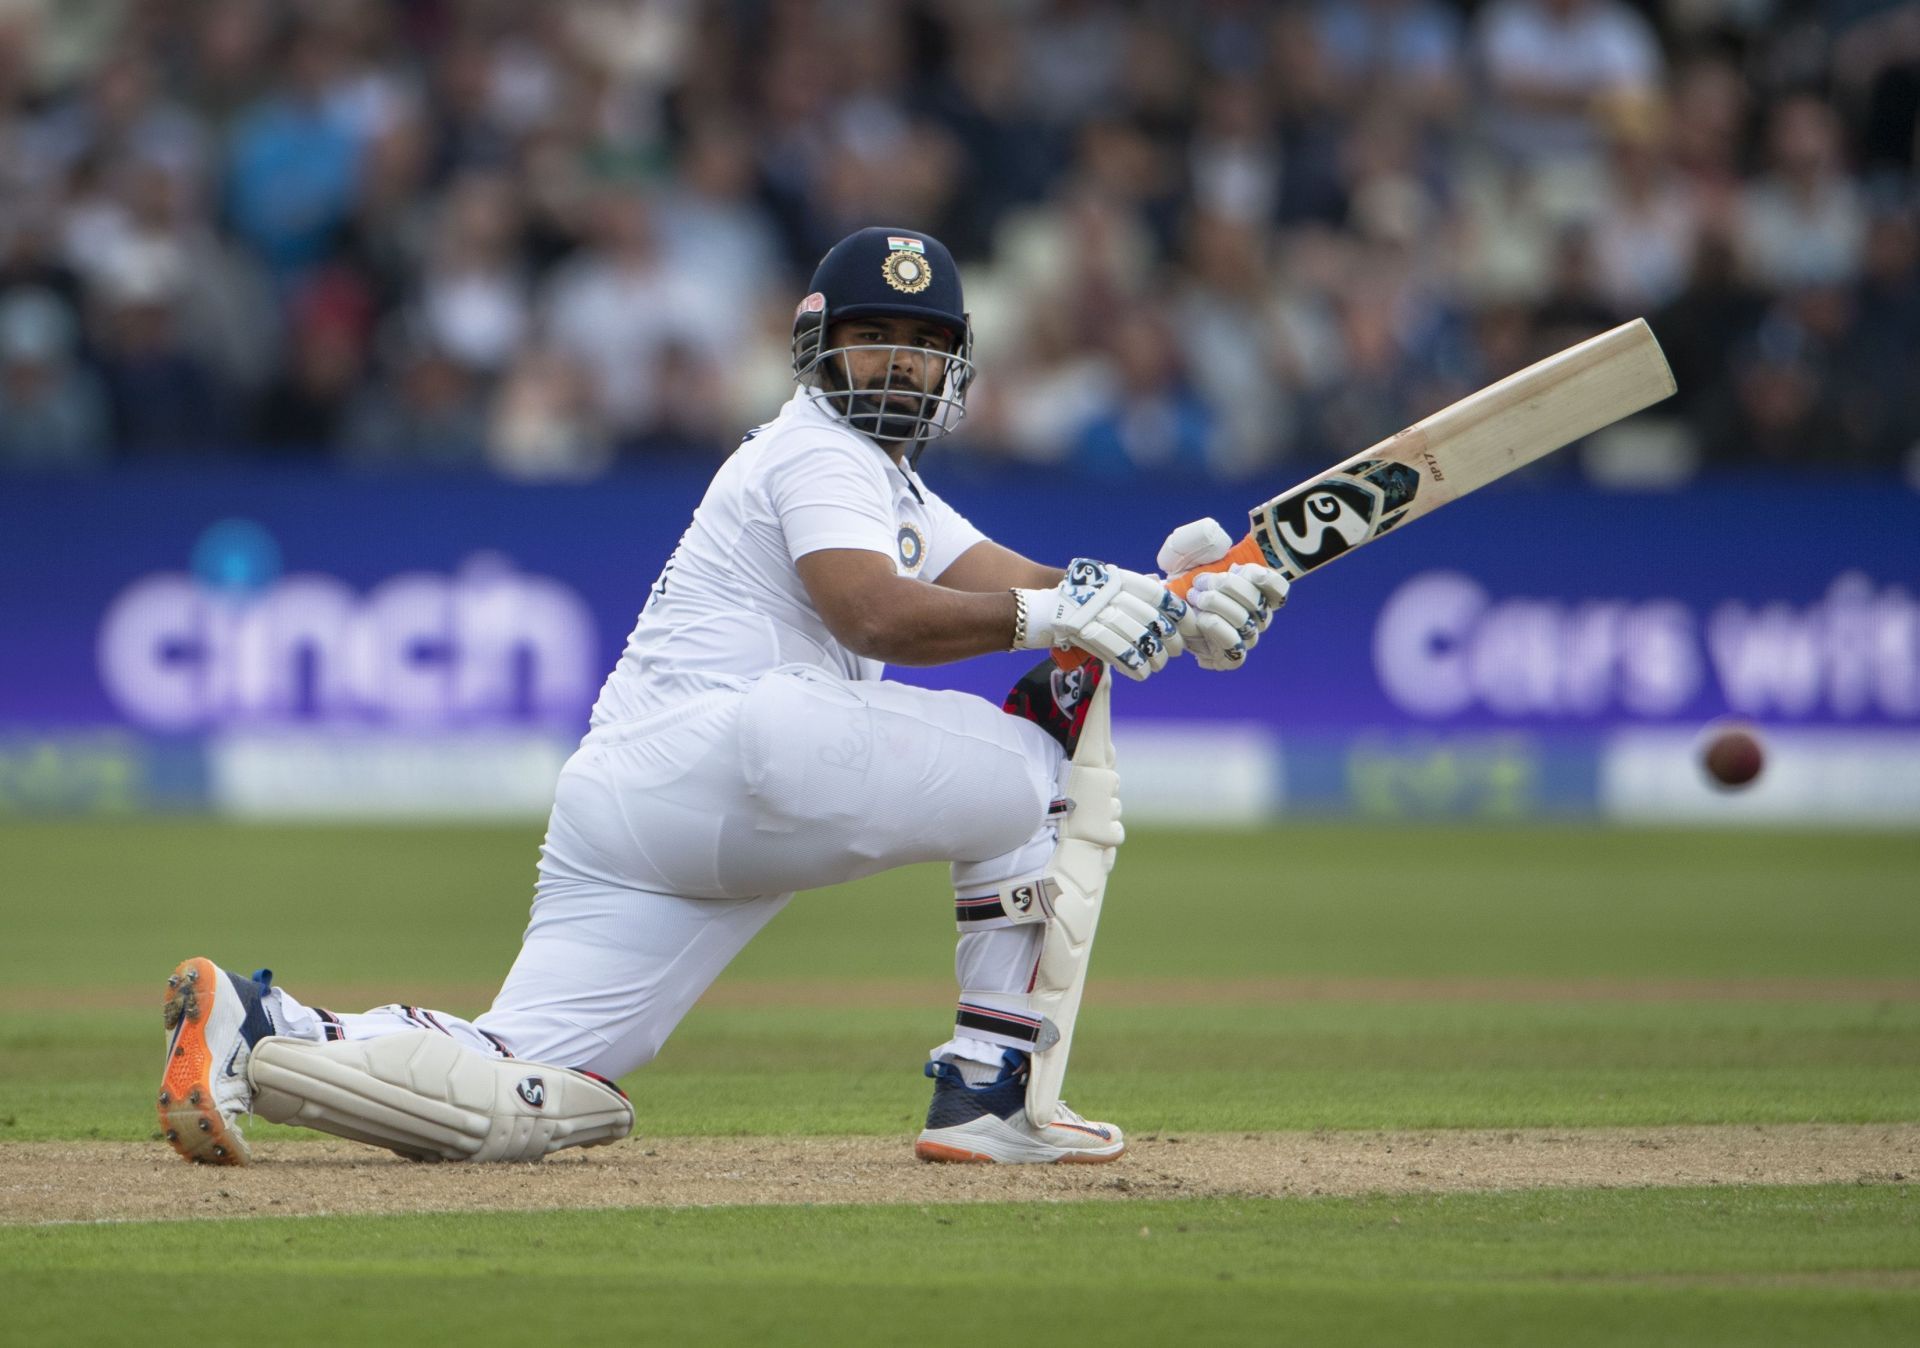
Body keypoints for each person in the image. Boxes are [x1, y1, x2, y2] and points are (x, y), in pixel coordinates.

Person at [159, 226, 1289, 1168]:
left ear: (956, 366)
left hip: (630, 803)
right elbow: (878, 616)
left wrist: (1168, 595)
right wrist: (1074, 620)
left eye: (922, 344)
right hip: (743, 742)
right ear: (818, 350)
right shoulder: (816, 452)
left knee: (522, 1083)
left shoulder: (882, 480)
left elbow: (1023, 583)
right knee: (1036, 768)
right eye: (873, 338)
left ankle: (262, 1024)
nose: (899, 364)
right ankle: (994, 1088)